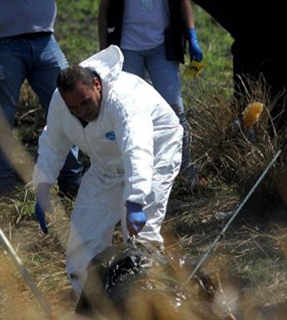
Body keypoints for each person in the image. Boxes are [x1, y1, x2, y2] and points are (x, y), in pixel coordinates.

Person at [32, 46, 183, 297]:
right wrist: (43, 185)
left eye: (85, 103)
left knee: (140, 242)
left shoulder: (123, 101)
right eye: (74, 108)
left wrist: (135, 200)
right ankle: (93, 312)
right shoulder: (63, 101)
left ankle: (150, 311)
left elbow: (138, 151)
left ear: (96, 85)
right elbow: (53, 142)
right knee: (82, 244)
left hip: (154, 154)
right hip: (106, 166)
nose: (81, 112)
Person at [0, 0, 83, 197]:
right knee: (2, 117)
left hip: (45, 40)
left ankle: (71, 182)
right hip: (3, 43)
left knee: (67, 106)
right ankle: (2, 189)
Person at [97, 0, 202, 188]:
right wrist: (104, 51)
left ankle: (185, 172)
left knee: (175, 109)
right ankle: (128, 173)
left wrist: (191, 34)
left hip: (162, 46)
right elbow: (104, 8)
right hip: (127, 47)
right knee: (127, 112)